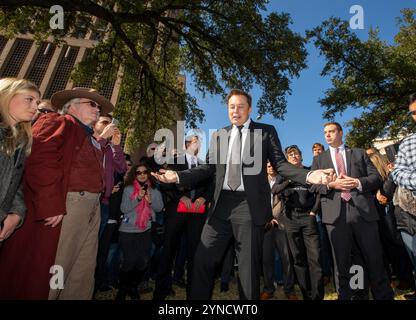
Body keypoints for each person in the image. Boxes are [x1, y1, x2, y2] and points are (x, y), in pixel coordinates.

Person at [153, 89, 334, 300]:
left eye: (240, 106)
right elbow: (207, 169)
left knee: (248, 269)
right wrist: (177, 177)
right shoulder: (219, 135)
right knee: (202, 259)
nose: (235, 110)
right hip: (220, 205)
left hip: (248, 205)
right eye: (231, 107)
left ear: (249, 109)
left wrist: (310, 175)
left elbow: (281, 165)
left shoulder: (265, 131)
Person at [0, 87, 114, 299]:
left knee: (82, 270)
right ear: (71, 106)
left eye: (99, 107)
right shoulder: (58, 121)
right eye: (91, 104)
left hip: (92, 208)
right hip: (68, 206)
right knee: (56, 270)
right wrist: (51, 203)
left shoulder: (90, 138)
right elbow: (40, 157)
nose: (97, 110)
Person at [312, 122, 394, 300]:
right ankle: (355, 295)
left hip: (362, 213)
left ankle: (384, 295)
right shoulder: (319, 159)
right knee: (342, 263)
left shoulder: (359, 153)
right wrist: (330, 184)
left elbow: (377, 178)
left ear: (341, 133)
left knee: (374, 260)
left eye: (331, 131)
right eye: (325, 132)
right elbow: (313, 186)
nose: (327, 135)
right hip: (335, 217)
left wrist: (357, 182)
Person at [153, 134, 214, 300]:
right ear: (187, 143)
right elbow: (164, 182)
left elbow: (211, 185)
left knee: (195, 254)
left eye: (199, 141)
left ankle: (192, 293)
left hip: (197, 214)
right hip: (176, 213)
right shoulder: (175, 161)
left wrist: (204, 198)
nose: (197, 143)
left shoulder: (204, 165)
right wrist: (181, 197)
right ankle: (161, 291)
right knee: (168, 252)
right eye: (194, 140)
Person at [0, 78, 40, 243]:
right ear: (7, 95)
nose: (35, 107)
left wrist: (16, 212)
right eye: (29, 99)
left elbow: (13, 182)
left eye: (37, 102)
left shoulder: (21, 141)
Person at [116, 163, 164, 300]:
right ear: (134, 175)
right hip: (128, 230)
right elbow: (124, 209)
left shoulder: (154, 190)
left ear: (148, 174)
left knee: (143, 261)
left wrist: (149, 201)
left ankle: (133, 286)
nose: (142, 175)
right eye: (139, 172)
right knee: (129, 261)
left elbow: (159, 208)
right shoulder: (128, 189)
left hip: (145, 230)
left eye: (145, 172)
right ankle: (123, 289)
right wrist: (138, 198)